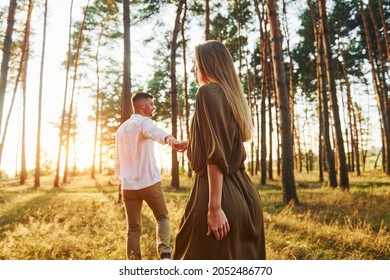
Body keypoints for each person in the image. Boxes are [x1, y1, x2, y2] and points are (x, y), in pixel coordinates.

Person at [172, 40, 266, 260]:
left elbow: (216, 156)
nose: (192, 69)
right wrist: (192, 142)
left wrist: (214, 207)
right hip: (245, 195)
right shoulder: (232, 96)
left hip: (217, 195)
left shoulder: (207, 93)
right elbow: (225, 139)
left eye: (195, 62)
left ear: (208, 63)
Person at [115, 91, 178, 260]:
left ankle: (134, 264)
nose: (153, 107)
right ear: (141, 105)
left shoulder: (120, 130)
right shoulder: (143, 123)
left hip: (129, 187)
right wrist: (171, 140)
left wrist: (120, 182)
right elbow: (155, 132)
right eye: (151, 104)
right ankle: (165, 255)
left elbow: (117, 160)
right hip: (150, 183)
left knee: (133, 228)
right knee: (162, 217)